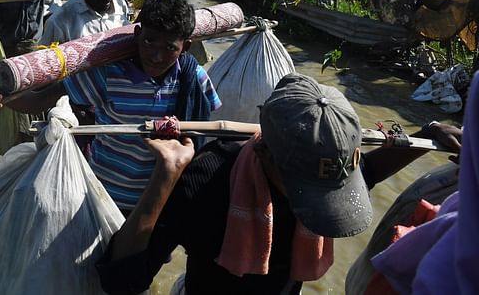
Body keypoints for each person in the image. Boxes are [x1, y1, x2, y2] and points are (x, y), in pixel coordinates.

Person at [95, 72, 463, 294]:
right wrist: (165, 177)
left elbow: (365, 171)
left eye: (335, 186)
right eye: (306, 190)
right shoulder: (207, 182)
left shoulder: (324, 171)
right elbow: (122, 279)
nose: (320, 202)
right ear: (266, 156)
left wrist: (425, 136)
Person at [0, 0, 222, 211]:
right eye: (148, 41)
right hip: (102, 195)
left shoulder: (192, 79)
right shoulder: (108, 74)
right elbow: (39, 101)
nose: (156, 56)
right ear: (137, 33)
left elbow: (206, 129)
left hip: (158, 201)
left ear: (185, 47)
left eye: (169, 48)